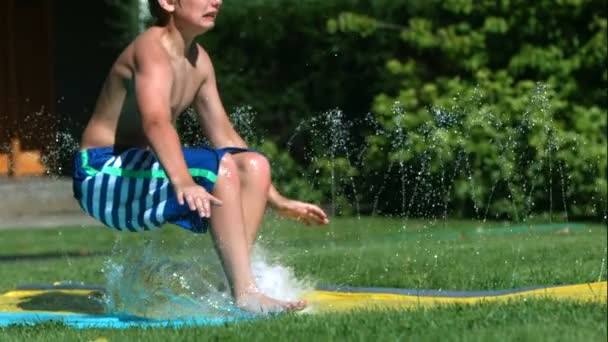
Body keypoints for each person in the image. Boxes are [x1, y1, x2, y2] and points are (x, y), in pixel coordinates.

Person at [72, 0, 329, 313]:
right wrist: (183, 180)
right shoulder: (151, 50)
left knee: (253, 165)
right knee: (217, 170)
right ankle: (245, 293)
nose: (216, 1)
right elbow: (156, 122)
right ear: (168, 2)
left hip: (138, 171)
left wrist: (276, 198)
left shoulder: (199, 60)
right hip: (102, 176)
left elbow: (224, 135)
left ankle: (229, 283)